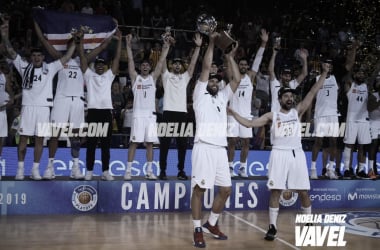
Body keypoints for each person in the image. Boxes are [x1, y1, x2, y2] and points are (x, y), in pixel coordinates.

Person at [228, 62, 329, 241]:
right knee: (276, 191)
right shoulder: (272, 116)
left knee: (304, 191)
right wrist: (233, 113)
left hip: (296, 153)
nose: (290, 98)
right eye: (286, 96)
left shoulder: (296, 112)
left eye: (291, 96)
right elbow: (250, 124)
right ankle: (272, 227)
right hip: (279, 153)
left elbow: (313, 92)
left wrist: (324, 74)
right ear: (280, 99)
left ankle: (308, 223)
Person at [34, 20, 113, 180]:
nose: (77, 46)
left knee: (75, 136)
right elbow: (43, 41)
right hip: (61, 99)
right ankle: (50, 167)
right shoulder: (60, 58)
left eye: (78, 43)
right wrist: (36, 21)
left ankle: (75, 168)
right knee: (55, 134)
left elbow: (102, 47)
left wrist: (113, 30)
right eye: (74, 43)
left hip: (77, 100)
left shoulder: (84, 60)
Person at [1, 18, 76, 180]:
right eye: (34, 55)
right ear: (31, 57)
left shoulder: (50, 68)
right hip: (27, 108)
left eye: (39, 55)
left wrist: (76, 43)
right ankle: (20, 170)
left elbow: (66, 58)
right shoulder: (24, 67)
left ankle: (35, 170)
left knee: (40, 141)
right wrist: (4, 35)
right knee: (23, 141)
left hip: (43, 109)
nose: (36, 58)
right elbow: (11, 52)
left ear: (43, 57)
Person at [191, 32, 240, 248]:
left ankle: (211, 222)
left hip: (220, 149)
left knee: (226, 190)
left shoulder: (222, 96)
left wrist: (229, 56)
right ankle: (197, 229)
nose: (213, 82)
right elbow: (205, 67)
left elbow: (237, 80)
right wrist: (211, 42)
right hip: (203, 147)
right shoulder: (199, 94)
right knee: (199, 190)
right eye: (211, 79)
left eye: (216, 80)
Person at [123, 31, 171, 181]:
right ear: (140, 67)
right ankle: (128, 171)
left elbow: (162, 61)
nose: (144, 67)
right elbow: (130, 61)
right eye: (142, 65)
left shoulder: (153, 78)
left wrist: (166, 47)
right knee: (134, 143)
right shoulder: (135, 78)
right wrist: (128, 45)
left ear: (150, 68)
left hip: (150, 116)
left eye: (147, 65)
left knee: (150, 143)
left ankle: (149, 171)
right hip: (138, 115)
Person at [78, 28, 122, 181]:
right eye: (98, 64)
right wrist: (81, 41)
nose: (101, 66)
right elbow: (83, 60)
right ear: (95, 66)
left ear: (106, 67)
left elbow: (116, 60)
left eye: (103, 65)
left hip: (106, 113)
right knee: (91, 144)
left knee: (105, 145)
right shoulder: (89, 76)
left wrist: (119, 41)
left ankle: (105, 171)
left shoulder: (109, 76)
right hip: (93, 113)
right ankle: (89, 171)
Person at [158, 32, 202, 180]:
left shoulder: (185, 78)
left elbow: (193, 65)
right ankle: (162, 171)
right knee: (164, 145)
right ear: (172, 66)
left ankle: (181, 171)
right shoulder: (166, 76)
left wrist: (197, 48)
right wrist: (166, 46)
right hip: (168, 114)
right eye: (175, 63)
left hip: (182, 115)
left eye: (179, 63)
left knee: (182, 145)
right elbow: (162, 61)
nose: (177, 65)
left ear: (182, 66)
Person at [227, 29, 268, 178]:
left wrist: (263, 44)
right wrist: (230, 50)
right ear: (238, 66)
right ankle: (230, 168)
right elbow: (228, 62)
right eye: (241, 65)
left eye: (245, 65)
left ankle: (243, 168)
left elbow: (257, 60)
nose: (243, 66)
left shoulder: (250, 76)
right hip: (232, 114)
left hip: (246, 115)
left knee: (245, 142)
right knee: (232, 141)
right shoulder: (233, 76)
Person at [309, 59, 340, 180]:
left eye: (330, 64)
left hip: (332, 114)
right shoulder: (316, 79)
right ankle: (312, 169)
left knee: (334, 142)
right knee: (318, 142)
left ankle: (330, 169)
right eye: (326, 64)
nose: (329, 66)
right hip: (320, 114)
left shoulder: (335, 79)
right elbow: (311, 97)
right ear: (322, 66)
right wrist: (309, 116)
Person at [342, 64, 371, 179]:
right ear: (355, 75)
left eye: (363, 73)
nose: (361, 75)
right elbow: (348, 76)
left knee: (362, 146)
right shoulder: (350, 85)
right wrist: (351, 66)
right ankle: (347, 169)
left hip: (364, 120)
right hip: (352, 120)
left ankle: (360, 170)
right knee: (349, 144)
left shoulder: (366, 86)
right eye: (359, 73)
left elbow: (372, 77)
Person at [268, 38, 308, 112]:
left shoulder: (292, 84)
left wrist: (305, 60)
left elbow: (304, 74)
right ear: (281, 75)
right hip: (276, 117)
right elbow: (270, 70)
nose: (287, 78)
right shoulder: (275, 83)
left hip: (287, 118)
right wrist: (274, 54)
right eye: (285, 75)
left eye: (289, 76)